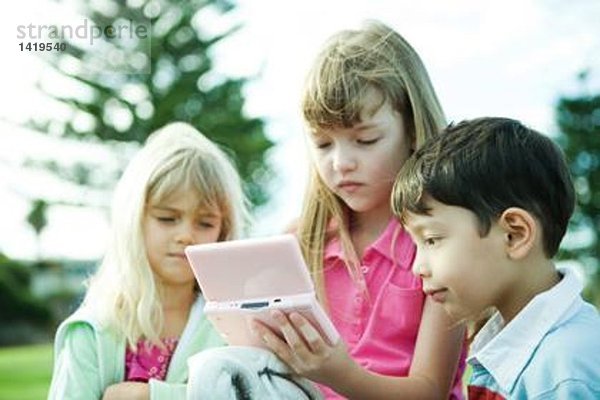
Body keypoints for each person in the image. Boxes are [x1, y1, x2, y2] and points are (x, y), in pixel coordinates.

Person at [252, 20, 465, 399]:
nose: (341, 162)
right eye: (322, 144)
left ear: (413, 130)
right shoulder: (299, 243)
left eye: (365, 140)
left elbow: (429, 391)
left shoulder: (439, 244)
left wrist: (339, 374)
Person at [392, 117, 600, 399]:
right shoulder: (524, 349)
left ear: (514, 235)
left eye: (431, 240)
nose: (418, 267)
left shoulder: (565, 373)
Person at [48, 122, 250, 400]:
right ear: (134, 221)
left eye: (205, 223)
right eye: (167, 218)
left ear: (223, 231)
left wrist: (152, 397)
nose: (186, 236)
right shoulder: (92, 331)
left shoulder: (235, 327)